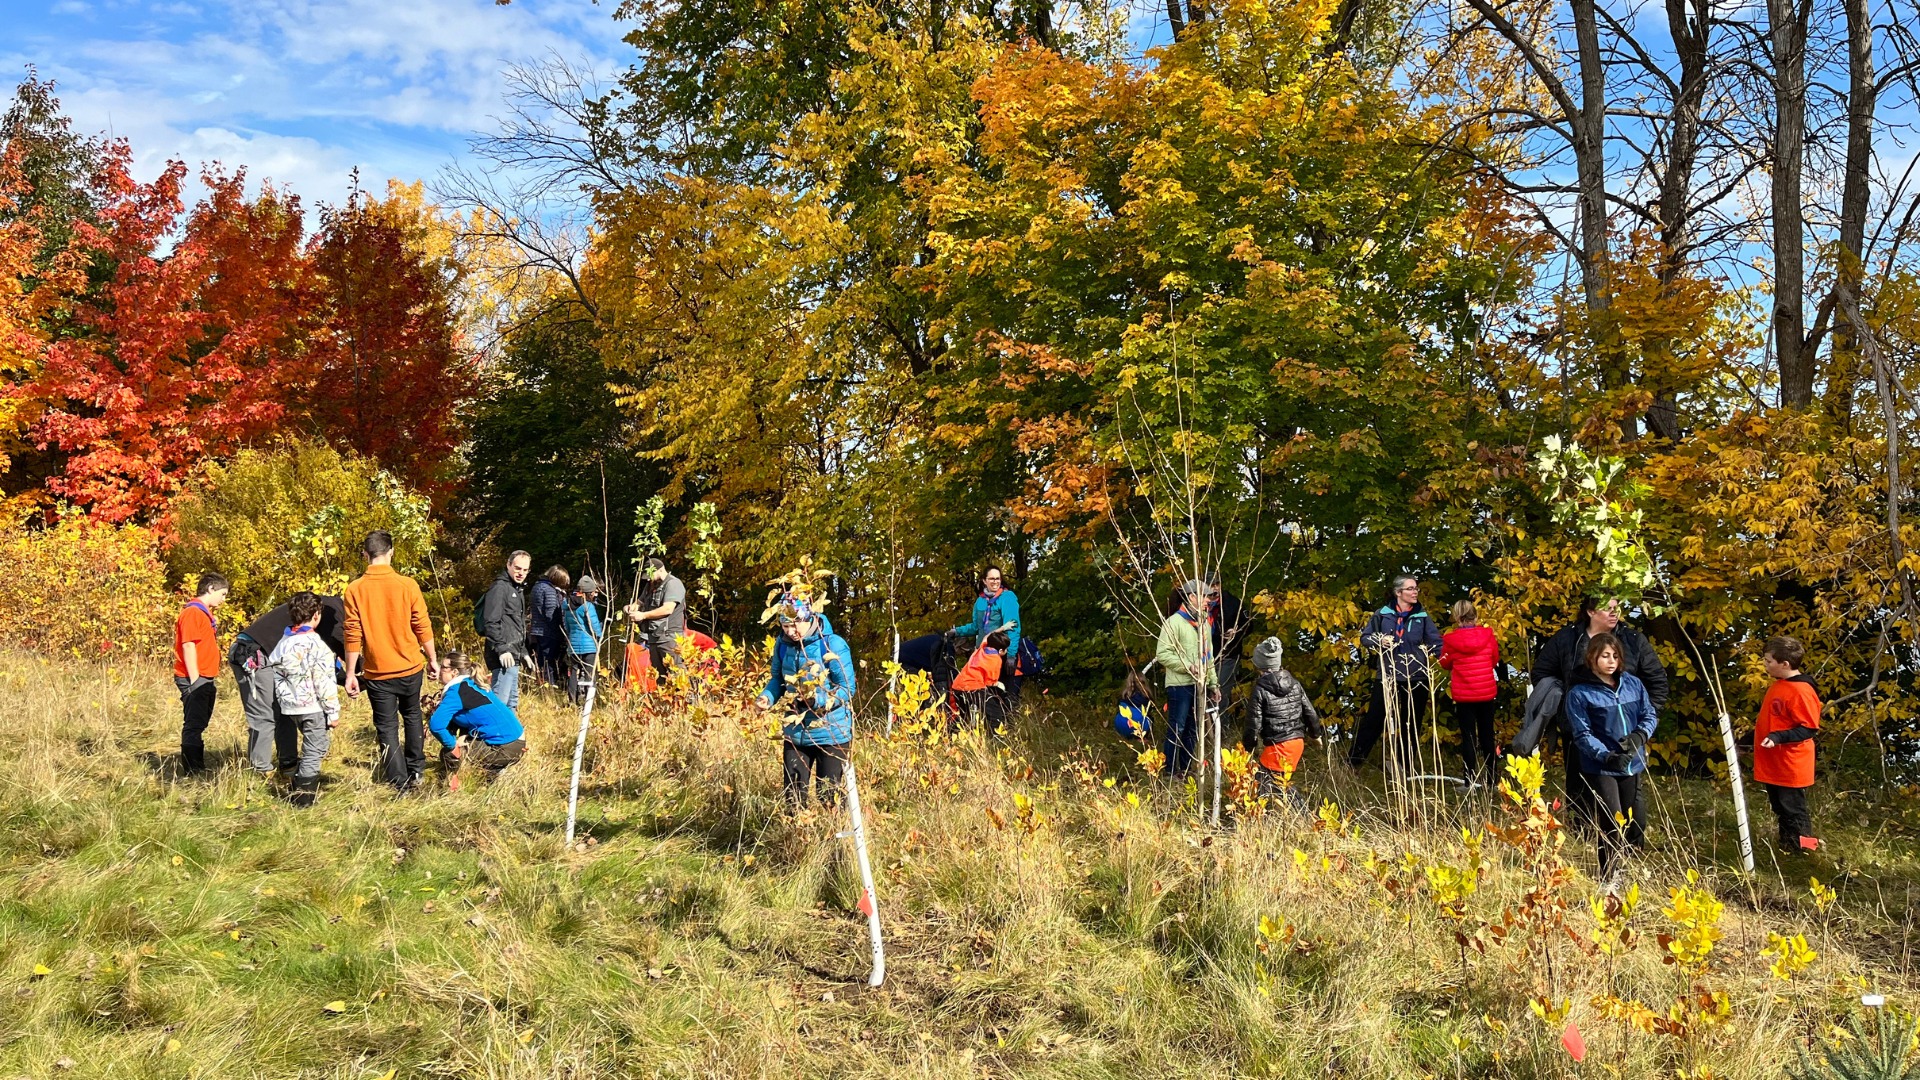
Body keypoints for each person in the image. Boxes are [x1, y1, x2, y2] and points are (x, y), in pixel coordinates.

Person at [1532, 596, 1669, 832]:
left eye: (1617, 608)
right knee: (1580, 785)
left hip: (1624, 731)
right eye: (1608, 609)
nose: (1614, 613)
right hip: (1580, 729)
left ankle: (1629, 846)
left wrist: (1643, 726)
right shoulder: (1568, 639)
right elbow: (1541, 673)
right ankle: (1581, 834)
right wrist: (1568, 706)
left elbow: (1657, 681)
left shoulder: (1633, 640)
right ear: (1590, 612)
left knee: (1629, 797)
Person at [343, 530, 440, 793]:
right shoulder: (407, 585)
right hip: (410, 666)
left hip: (377, 671)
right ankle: (416, 769)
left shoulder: (354, 589)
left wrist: (351, 673)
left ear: (365, 555)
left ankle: (398, 782)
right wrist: (432, 658)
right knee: (412, 716)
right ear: (391, 552)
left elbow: (353, 632)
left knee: (386, 725)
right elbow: (422, 624)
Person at [1563, 633, 1659, 890]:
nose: (1611, 661)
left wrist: (1640, 736)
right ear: (1592, 657)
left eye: (1615, 656)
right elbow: (1582, 734)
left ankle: (1623, 869)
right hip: (1601, 765)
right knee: (1612, 821)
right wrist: (1606, 755)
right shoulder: (1580, 693)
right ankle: (1608, 879)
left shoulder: (1633, 684)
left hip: (1632, 762)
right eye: (1605, 656)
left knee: (1630, 820)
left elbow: (1649, 714)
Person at [756, 595, 855, 808]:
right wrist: (767, 697)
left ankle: (836, 838)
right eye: (785, 625)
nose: (790, 631)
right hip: (795, 731)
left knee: (830, 796)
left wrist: (817, 699)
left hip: (831, 732)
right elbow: (778, 680)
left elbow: (847, 688)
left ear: (808, 619)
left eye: (794, 625)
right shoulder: (782, 646)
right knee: (793, 796)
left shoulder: (832, 645)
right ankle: (795, 838)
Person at [231, 595, 347, 777]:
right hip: (252, 653)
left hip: (265, 653)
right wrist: (360, 669)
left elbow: (312, 660)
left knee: (283, 711)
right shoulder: (329, 609)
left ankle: (289, 765)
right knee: (265, 716)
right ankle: (261, 771)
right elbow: (334, 645)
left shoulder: (317, 611)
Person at [1346, 576, 1441, 772]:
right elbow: (1365, 638)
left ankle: (1402, 766)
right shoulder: (1383, 614)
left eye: (1416, 589)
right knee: (1374, 719)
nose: (1415, 592)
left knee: (1411, 723)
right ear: (1399, 593)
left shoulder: (1422, 616)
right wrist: (1379, 641)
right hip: (1388, 676)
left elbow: (1436, 643)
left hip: (1416, 677)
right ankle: (1353, 763)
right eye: (1410, 589)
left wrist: (1443, 657)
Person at [265, 592, 341, 807]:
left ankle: (296, 778)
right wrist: (333, 711)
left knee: (316, 744)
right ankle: (303, 795)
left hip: (289, 706)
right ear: (317, 615)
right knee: (315, 748)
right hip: (313, 706)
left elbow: (275, 672)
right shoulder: (316, 646)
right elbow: (324, 681)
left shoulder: (283, 642)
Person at [1754, 635, 1822, 854]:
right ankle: (1787, 847)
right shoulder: (1779, 685)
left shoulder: (1802, 691)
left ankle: (1808, 851)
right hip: (1774, 762)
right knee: (1781, 809)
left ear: (1785, 664)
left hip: (1791, 763)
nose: (1765, 665)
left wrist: (1777, 738)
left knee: (1795, 811)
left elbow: (1808, 728)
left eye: (1768, 661)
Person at [428, 652, 527, 791]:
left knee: (449, 754)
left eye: (443, 667)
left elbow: (436, 726)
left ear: (454, 672)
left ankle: (449, 789)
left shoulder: (456, 691)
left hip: (506, 747)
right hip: (516, 742)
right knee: (460, 747)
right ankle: (491, 780)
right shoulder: (470, 684)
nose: (439, 670)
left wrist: (452, 745)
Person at [1244, 637, 1322, 799]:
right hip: (1297, 742)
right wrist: (1316, 735)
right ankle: (1279, 817)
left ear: (1259, 665)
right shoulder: (1295, 684)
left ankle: (1302, 816)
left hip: (1278, 746)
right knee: (1274, 782)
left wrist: (1248, 748)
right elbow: (1310, 712)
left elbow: (1253, 723)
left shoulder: (1260, 689)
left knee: (1266, 784)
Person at [1155, 579, 1216, 776]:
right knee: (1177, 728)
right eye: (1204, 596)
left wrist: (1214, 684)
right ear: (1191, 597)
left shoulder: (1204, 623)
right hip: (1179, 685)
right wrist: (1188, 667)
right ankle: (1171, 772)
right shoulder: (1174, 622)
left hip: (1201, 684)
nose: (1208, 599)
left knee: (1194, 730)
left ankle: (1185, 768)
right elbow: (1163, 654)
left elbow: (1209, 656)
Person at [173, 572, 230, 773]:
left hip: (205, 676)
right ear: (211, 589)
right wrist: (195, 680)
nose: (223, 599)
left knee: (200, 720)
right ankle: (193, 768)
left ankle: (196, 765)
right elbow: (188, 646)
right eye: (222, 594)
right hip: (194, 677)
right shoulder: (193, 613)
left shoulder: (204, 613)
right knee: (194, 722)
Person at [1440, 598, 1501, 785]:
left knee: (1468, 737)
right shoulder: (1488, 636)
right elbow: (1494, 659)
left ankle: (1469, 780)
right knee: (1487, 736)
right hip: (1486, 693)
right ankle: (1491, 779)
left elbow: (1444, 663)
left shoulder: (1450, 641)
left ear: (1457, 618)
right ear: (1475, 616)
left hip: (1464, 695)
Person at [953, 567, 1023, 707]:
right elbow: (975, 627)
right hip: (983, 656)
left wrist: (1011, 655)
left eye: (997, 578)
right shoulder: (980, 601)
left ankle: (1009, 726)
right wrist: (956, 632)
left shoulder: (1007, 598)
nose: (995, 582)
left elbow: (1013, 628)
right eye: (991, 578)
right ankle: (984, 725)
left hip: (1002, 654)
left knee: (1006, 696)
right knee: (985, 695)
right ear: (984, 581)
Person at [481, 550, 532, 709]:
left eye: (525, 570)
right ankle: (491, 734)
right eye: (517, 568)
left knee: (511, 703)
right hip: (502, 655)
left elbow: (516, 625)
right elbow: (490, 621)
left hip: (514, 654)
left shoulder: (517, 589)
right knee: (500, 704)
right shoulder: (499, 588)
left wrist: (523, 652)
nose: (521, 573)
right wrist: (502, 649)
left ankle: (510, 735)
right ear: (508, 565)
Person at [624, 557, 688, 680]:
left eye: (649, 574)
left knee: (678, 677)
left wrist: (643, 615)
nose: (647, 578)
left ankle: (687, 699)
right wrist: (629, 608)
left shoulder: (673, 584)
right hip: (653, 638)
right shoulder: (650, 586)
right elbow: (638, 603)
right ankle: (664, 699)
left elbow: (668, 609)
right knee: (660, 678)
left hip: (670, 639)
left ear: (660, 570)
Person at [1206, 572, 1250, 715]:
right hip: (1204, 657)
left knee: (1219, 693)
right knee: (1202, 696)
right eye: (1211, 585)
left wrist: (1235, 633)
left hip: (1228, 656)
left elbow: (1249, 625)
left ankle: (1221, 731)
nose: (1215, 588)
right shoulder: (1197, 604)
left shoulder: (1232, 603)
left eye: (1217, 584)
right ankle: (1203, 732)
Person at [950, 629, 1011, 730]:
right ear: (1001, 651)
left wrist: (1003, 628)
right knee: (995, 714)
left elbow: (987, 636)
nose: (1007, 651)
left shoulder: (982, 648)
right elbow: (990, 682)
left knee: (963, 716)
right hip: (974, 688)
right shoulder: (995, 660)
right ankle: (997, 739)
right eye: (1006, 649)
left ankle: (951, 735)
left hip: (957, 685)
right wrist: (1000, 685)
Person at [561, 575, 606, 705]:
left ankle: (572, 701)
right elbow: (594, 626)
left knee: (573, 673)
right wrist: (599, 636)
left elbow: (567, 626)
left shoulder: (567, 605)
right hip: (589, 645)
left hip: (573, 645)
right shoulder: (588, 606)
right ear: (589, 592)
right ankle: (589, 701)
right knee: (589, 673)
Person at [529, 566, 571, 687]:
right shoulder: (549, 590)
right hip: (548, 631)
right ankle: (550, 685)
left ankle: (543, 683)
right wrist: (560, 630)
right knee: (550, 660)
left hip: (538, 629)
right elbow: (551, 613)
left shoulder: (537, 586)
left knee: (542, 660)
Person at [1114, 670, 1154, 741]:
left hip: (1122, 726)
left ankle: (1123, 734)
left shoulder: (1123, 695)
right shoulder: (1146, 697)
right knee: (1150, 718)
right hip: (1138, 728)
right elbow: (1149, 711)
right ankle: (1142, 737)